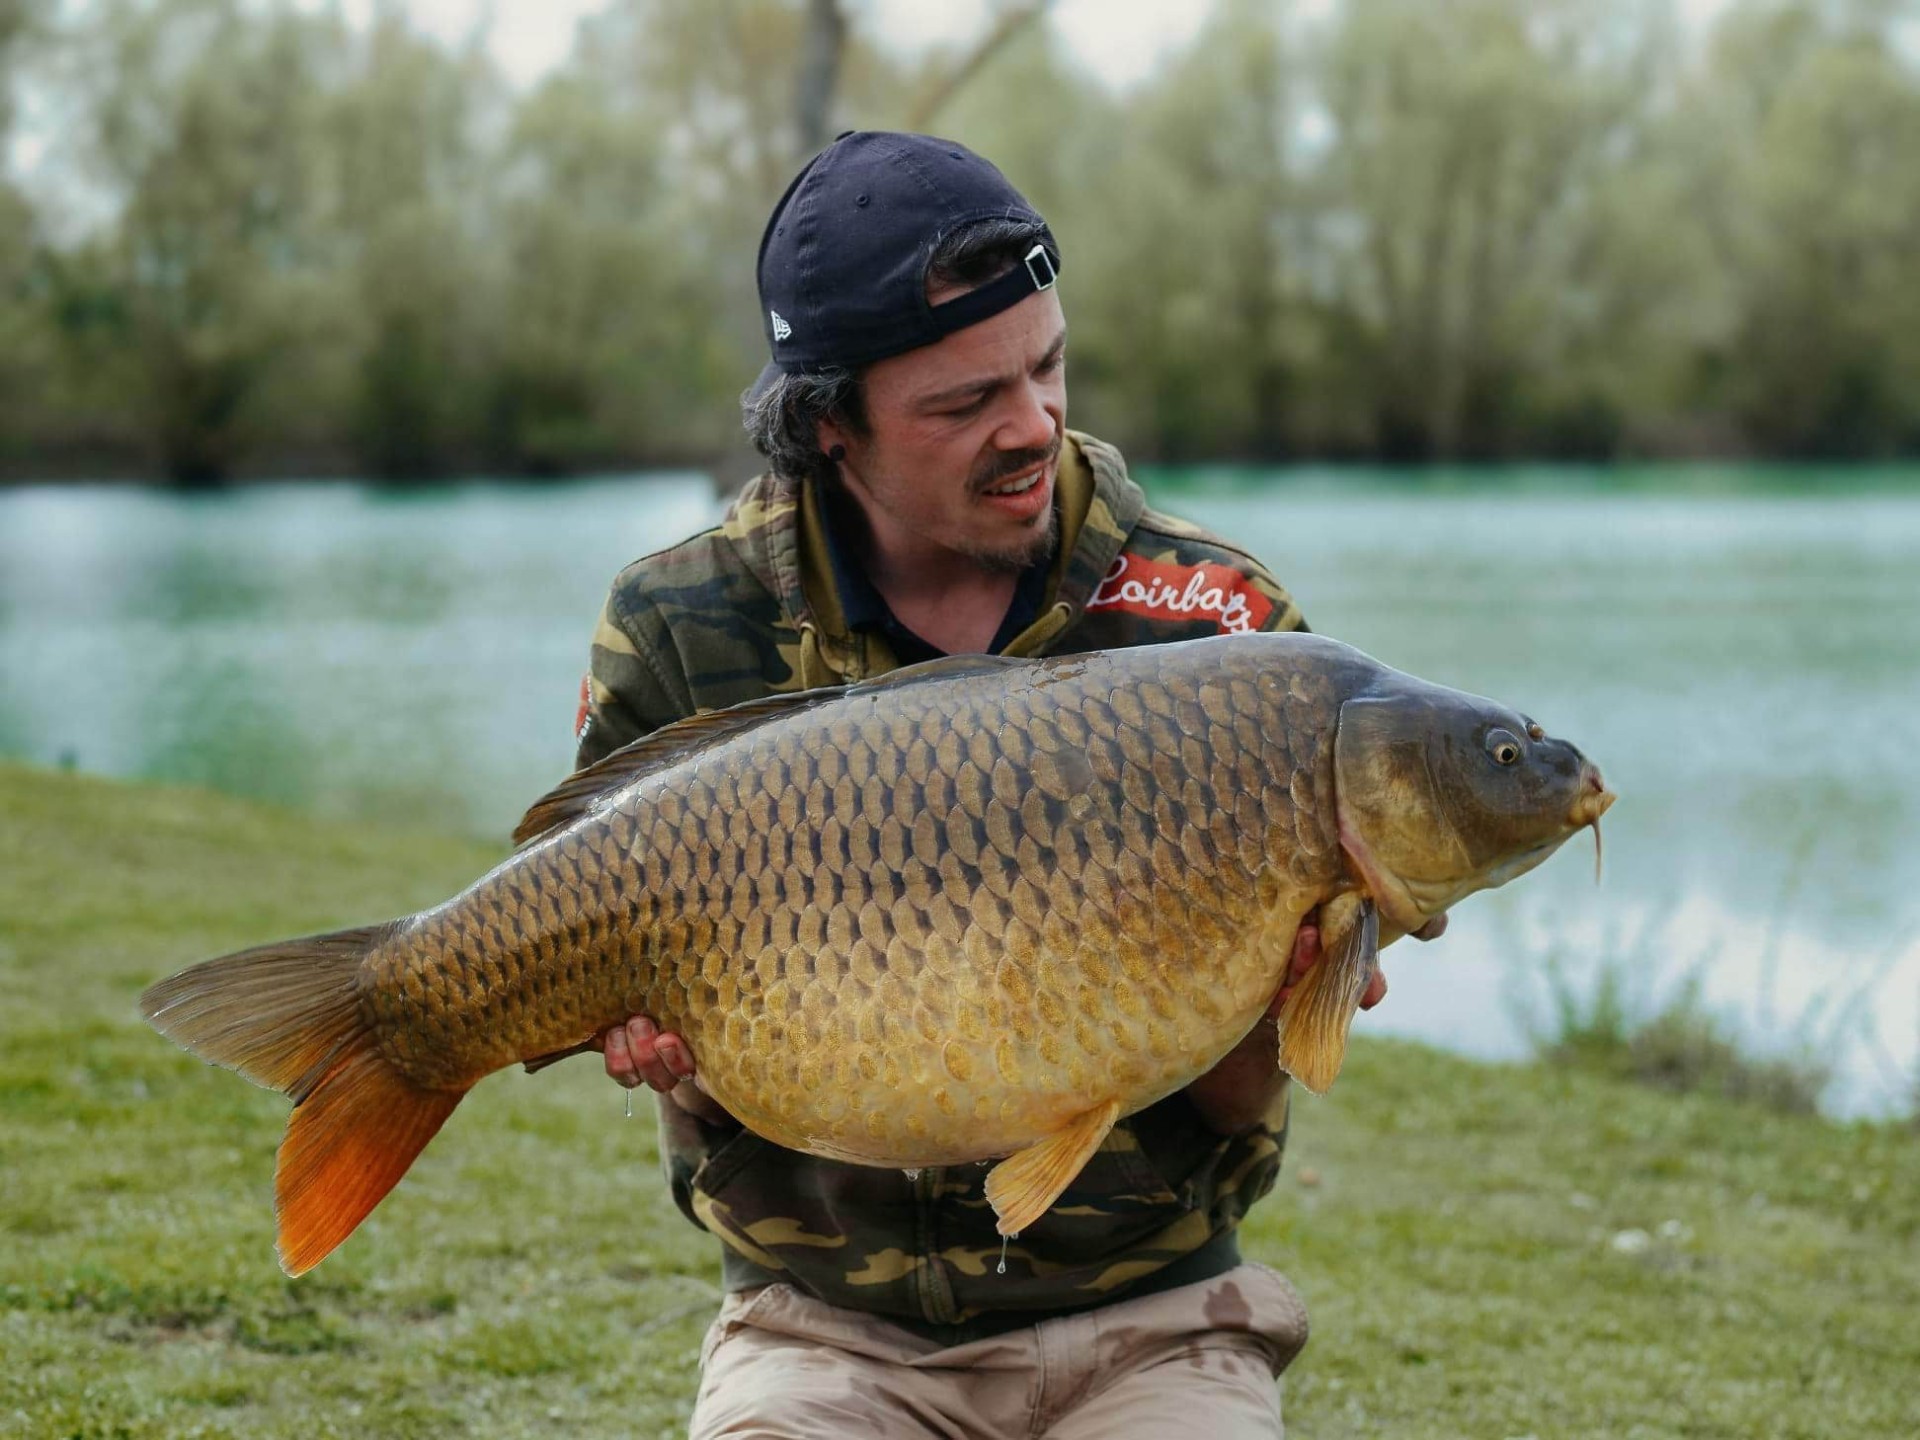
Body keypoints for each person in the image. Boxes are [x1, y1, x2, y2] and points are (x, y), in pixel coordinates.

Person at [571, 131, 1438, 1438]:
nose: (1033, 423)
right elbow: (693, 1075)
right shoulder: (683, 625)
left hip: (1152, 1326)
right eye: (964, 401)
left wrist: (1289, 973)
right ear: (828, 426)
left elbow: (1235, 1099)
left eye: (1047, 366)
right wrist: (653, 1046)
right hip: (823, 1334)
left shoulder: (1224, 635)